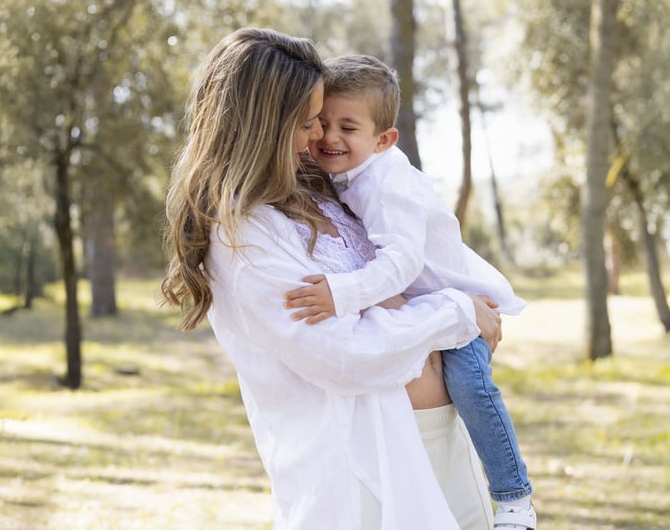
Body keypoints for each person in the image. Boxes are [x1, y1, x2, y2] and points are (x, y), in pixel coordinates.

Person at [161, 27, 504, 529]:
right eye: (306, 124)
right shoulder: (243, 236)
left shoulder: (322, 190)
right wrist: (457, 313)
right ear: (263, 127)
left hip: (437, 432)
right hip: (361, 467)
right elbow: (344, 354)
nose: (318, 137)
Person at [284, 54, 536, 530]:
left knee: (473, 389)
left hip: (460, 303)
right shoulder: (346, 174)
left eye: (348, 127)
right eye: (322, 123)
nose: (329, 137)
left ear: (384, 139)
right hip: (433, 312)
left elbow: (400, 265)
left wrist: (342, 292)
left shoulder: (386, 183)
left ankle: (514, 496)